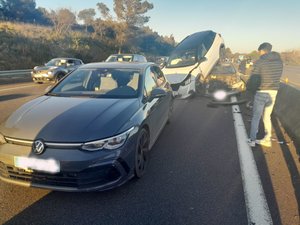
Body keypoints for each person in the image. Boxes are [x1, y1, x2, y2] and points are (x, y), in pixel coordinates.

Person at [248, 42, 283, 147]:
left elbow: (254, 79)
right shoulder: (279, 62)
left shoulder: (260, 62)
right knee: (267, 116)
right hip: (274, 92)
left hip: (261, 91)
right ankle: (267, 140)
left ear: (262, 51)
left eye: (259, 52)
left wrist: (251, 90)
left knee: (256, 117)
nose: (259, 54)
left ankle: (252, 140)